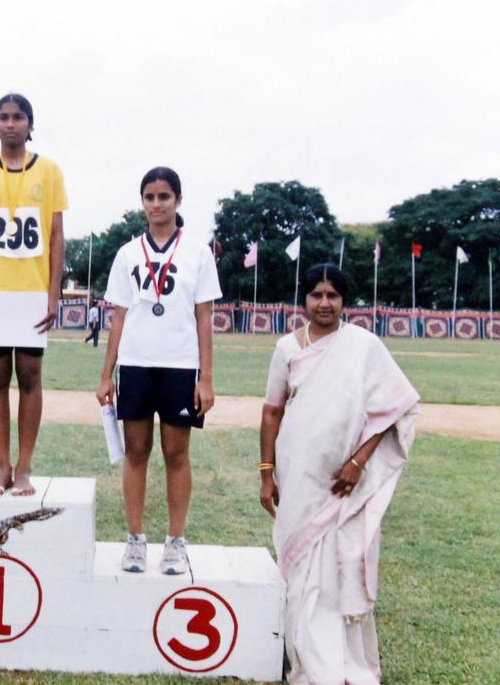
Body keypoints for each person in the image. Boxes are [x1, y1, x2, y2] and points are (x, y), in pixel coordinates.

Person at [259, 264, 418, 684]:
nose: (324, 303)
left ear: (344, 300)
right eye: (316, 294)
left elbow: (390, 409)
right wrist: (266, 472)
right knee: (299, 566)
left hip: (344, 481)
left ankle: (341, 660)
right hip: (298, 473)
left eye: (333, 295)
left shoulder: (364, 346)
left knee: (337, 565)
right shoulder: (287, 348)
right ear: (304, 300)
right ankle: (305, 657)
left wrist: (358, 463)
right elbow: (272, 411)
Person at [96, 167, 221, 575]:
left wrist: (206, 378)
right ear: (142, 202)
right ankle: (135, 539)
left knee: (176, 454)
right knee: (136, 453)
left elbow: (204, 318)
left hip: (180, 366)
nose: (156, 204)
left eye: (164, 196)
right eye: (149, 197)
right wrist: (106, 374)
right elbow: (118, 316)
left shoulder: (197, 253)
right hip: (135, 364)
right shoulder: (128, 253)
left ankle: (176, 541)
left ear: (178, 201)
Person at [0, 92, 68, 496]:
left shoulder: (50, 171)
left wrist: (53, 294)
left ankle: (25, 468)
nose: (10, 124)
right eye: (3, 117)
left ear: (30, 124)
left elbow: (56, 236)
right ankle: (2, 466)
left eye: (18, 117)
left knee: (30, 375)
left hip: (31, 293)